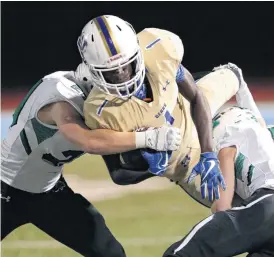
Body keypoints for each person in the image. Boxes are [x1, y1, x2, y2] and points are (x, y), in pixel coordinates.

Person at [1, 61, 182, 257]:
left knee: (110, 253)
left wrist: (166, 165)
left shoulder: (97, 108)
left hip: (49, 191)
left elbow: (119, 173)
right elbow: (89, 142)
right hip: (5, 186)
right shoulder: (60, 97)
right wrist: (148, 138)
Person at [79, 15, 243, 205]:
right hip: (187, 165)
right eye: (109, 71)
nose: (120, 75)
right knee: (237, 211)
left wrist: (209, 153)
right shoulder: (99, 111)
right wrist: (152, 168)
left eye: (125, 65)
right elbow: (118, 174)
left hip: (193, 112)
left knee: (234, 76)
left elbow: (197, 97)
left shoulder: (159, 50)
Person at [163, 105, 274, 257]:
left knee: (181, 254)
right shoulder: (264, 136)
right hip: (266, 205)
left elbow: (222, 206)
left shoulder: (228, 140)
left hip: (269, 205)